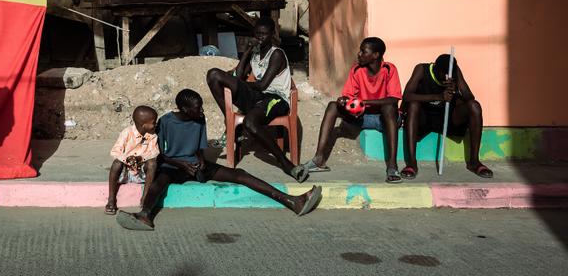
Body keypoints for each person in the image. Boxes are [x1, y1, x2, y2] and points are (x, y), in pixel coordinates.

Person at [116, 89, 321, 231]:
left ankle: (292, 201)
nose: (202, 111)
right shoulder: (166, 122)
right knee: (158, 184)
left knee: (239, 175)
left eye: (201, 107)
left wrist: (201, 162)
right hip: (172, 166)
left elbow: (198, 147)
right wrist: (180, 164)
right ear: (185, 109)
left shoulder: (199, 119)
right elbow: (159, 153)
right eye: (197, 108)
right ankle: (144, 215)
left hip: (194, 166)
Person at [205, 16, 307, 182]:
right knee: (214, 75)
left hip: (276, 99)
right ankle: (228, 120)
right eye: (257, 34)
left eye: (264, 34)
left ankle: (286, 164)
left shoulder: (277, 54)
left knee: (250, 123)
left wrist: (240, 84)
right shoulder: (255, 54)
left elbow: (262, 85)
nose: (260, 37)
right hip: (258, 96)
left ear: (272, 34)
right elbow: (239, 74)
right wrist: (246, 52)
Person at [301, 37, 402, 182]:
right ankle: (319, 160)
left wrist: (364, 102)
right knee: (332, 106)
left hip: (386, 120)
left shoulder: (389, 69)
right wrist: (344, 101)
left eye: (363, 51)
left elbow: (394, 99)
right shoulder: (356, 70)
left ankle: (392, 167)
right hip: (362, 117)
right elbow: (349, 97)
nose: (359, 54)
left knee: (388, 108)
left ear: (376, 55)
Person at [400, 54, 493, 179]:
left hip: (447, 118)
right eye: (443, 74)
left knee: (474, 106)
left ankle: (474, 162)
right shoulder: (422, 69)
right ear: (435, 68)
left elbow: (469, 97)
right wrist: (438, 97)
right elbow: (407, 96)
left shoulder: (453, 71)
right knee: (413, 105)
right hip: (424, 118)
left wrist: (456, 89)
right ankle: (411, 163)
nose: (446, 77)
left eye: (449, 74)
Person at [106, 105, 159, 215]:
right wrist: (127, 159)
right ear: (144, 125)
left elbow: (155, 152)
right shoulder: (127, 133)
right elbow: (114, 152)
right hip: (126, 172)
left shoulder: (153, 136)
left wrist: (141, 158)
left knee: (152, 163)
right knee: (116, 163)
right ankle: (111, 199)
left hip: (141, 172)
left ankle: (145, 198)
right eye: (153, 122)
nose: (155, 125)